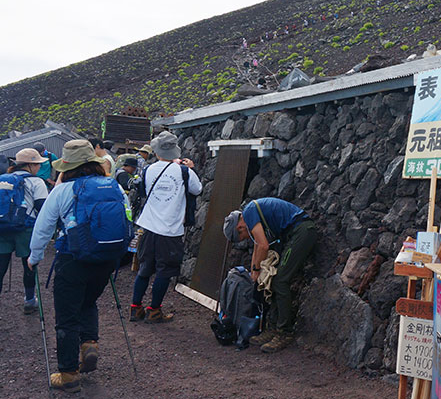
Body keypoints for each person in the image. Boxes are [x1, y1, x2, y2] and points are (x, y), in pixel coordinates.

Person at [28, 139, 129, 392]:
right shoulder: (113, 185)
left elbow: (44, 227)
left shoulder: (63, 190)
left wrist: (34, 257)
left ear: (68, 166)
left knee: (66, 315)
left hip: (72, 258)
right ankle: (89, 344)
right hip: (106, 258)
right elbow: (128, 215)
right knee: (88, 301)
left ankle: (69, 374)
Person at [222, 197, 316, 353]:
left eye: (242, 237)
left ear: (239, 227)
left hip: (302, 231)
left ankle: (285, 332)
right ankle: (272, 327)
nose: (244, 238)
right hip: (293, 234)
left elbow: (263, 245)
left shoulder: (250, 212)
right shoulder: (251, 214)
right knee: (270, 281)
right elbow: (257, 247)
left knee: (280, 281)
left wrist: (257, 270)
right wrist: (254, 273)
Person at [129, 131, 201, 324]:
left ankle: (135, 308)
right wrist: (190, 168)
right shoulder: (185, 172)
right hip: (170, 230)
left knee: (145, 268)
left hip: (148, 227)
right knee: (164, 271)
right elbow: (197, 189)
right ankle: (154, 310)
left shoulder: (148, 170)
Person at [0, 148, 50, 325]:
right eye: (37, 164)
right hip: (24, 229)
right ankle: (29, 301)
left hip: (1, 229)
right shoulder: (36, 182)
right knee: (29, 265)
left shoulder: (0, 179)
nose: (38, 168)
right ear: (31, 165)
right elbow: (42, 206)